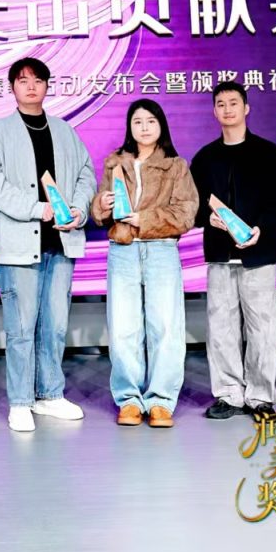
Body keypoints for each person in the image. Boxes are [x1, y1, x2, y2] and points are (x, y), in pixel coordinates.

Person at [0, 57, 95, 433]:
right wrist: (37, 208)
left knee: (55, 325)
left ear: (47, 86)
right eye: (23, 80)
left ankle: (50, 394)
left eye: (38, 80)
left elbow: (86, 174)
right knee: (21, 327)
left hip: (62, 243)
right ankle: (20, 401)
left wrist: (79, 208)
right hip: (19, 245)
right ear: (12, 87)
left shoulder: (65, 131)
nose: (31, 86)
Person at [189, 81, 276, 420]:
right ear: (214, 111)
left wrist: (262, 228)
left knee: (261, 327)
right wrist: (207, 217)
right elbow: (191, 204)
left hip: (259, 254)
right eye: (220, 104)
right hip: (220, 256)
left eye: (233, 103)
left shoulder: (268, 153)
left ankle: (260, 396)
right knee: (220, 327)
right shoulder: (205, 158)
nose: (227, 109)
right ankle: (228, 394)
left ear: (246, 108)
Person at [90, 99, 198, 429]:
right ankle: (129, 399)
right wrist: (102, 204)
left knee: (165, 326)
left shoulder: (176, 166)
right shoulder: (115, 163)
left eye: (151, 121)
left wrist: (144, 218)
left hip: (161, 250)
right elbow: (99, 213)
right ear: (130, 127)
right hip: (122, 250)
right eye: (137, 122)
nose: (144, 127)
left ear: (161, 125)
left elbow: (186, 213)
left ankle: (161, 400)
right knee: (124, 328)